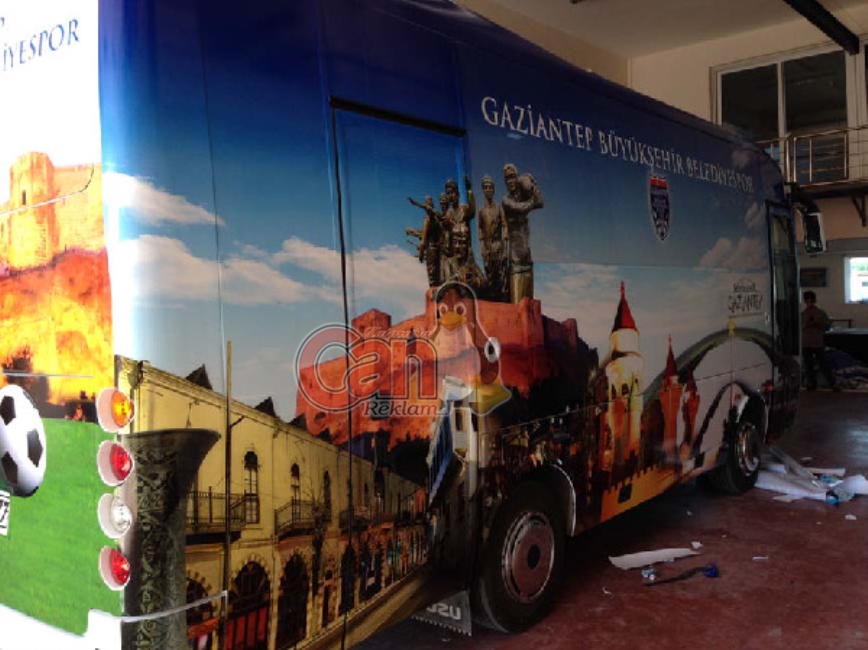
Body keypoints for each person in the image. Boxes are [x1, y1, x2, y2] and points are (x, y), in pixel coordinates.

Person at [501, 163, 543, 304]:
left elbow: (540, 202)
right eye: (507, 178)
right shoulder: (506, 200)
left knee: (529, 305)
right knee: (517, 306)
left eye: (513, 177)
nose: (511, 181)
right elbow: (521, 208)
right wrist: (532, 200)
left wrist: (532, 184)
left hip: (527, 258)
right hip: (516, 261)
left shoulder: (522, 195)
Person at [801, 290, 839, 390]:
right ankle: (811, 384)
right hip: (806, 342)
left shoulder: (821, 313)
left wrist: (817, 324)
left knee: (823, 364)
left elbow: (827, 326)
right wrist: (807, 324)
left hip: (817, 342)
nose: (809, 303)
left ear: (814, 301)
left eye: (811, 301)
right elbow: (800, 327)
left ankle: (832, 383)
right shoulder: (803, 314)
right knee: (808, 365)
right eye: (807, 301)